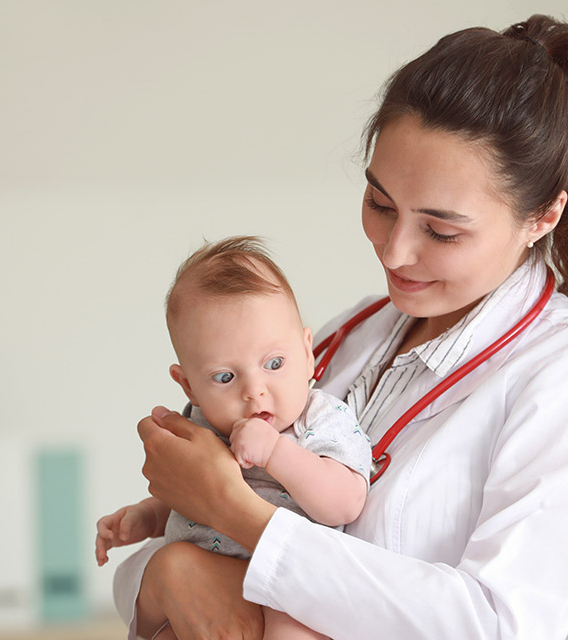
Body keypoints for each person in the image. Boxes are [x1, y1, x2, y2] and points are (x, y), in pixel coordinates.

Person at [112, 13, 568, 640]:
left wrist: (238, 520)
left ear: (542, 214)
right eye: (380, 204)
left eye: (442, 230)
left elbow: (501, 625)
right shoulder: (346, 335)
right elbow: (146, 579)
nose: (395, 251)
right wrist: (174, 574)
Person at [96, 236, 375, 640]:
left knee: (295, 629)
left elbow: (344, 503)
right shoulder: (201, 425)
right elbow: (187, 497)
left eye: (274, 363)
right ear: (189, 386)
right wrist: (148, 517)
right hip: (202, 586)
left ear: (308, 351)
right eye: (225, 377)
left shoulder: (319, 418)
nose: (255, 390)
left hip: (290, 583)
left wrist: (276, 452)